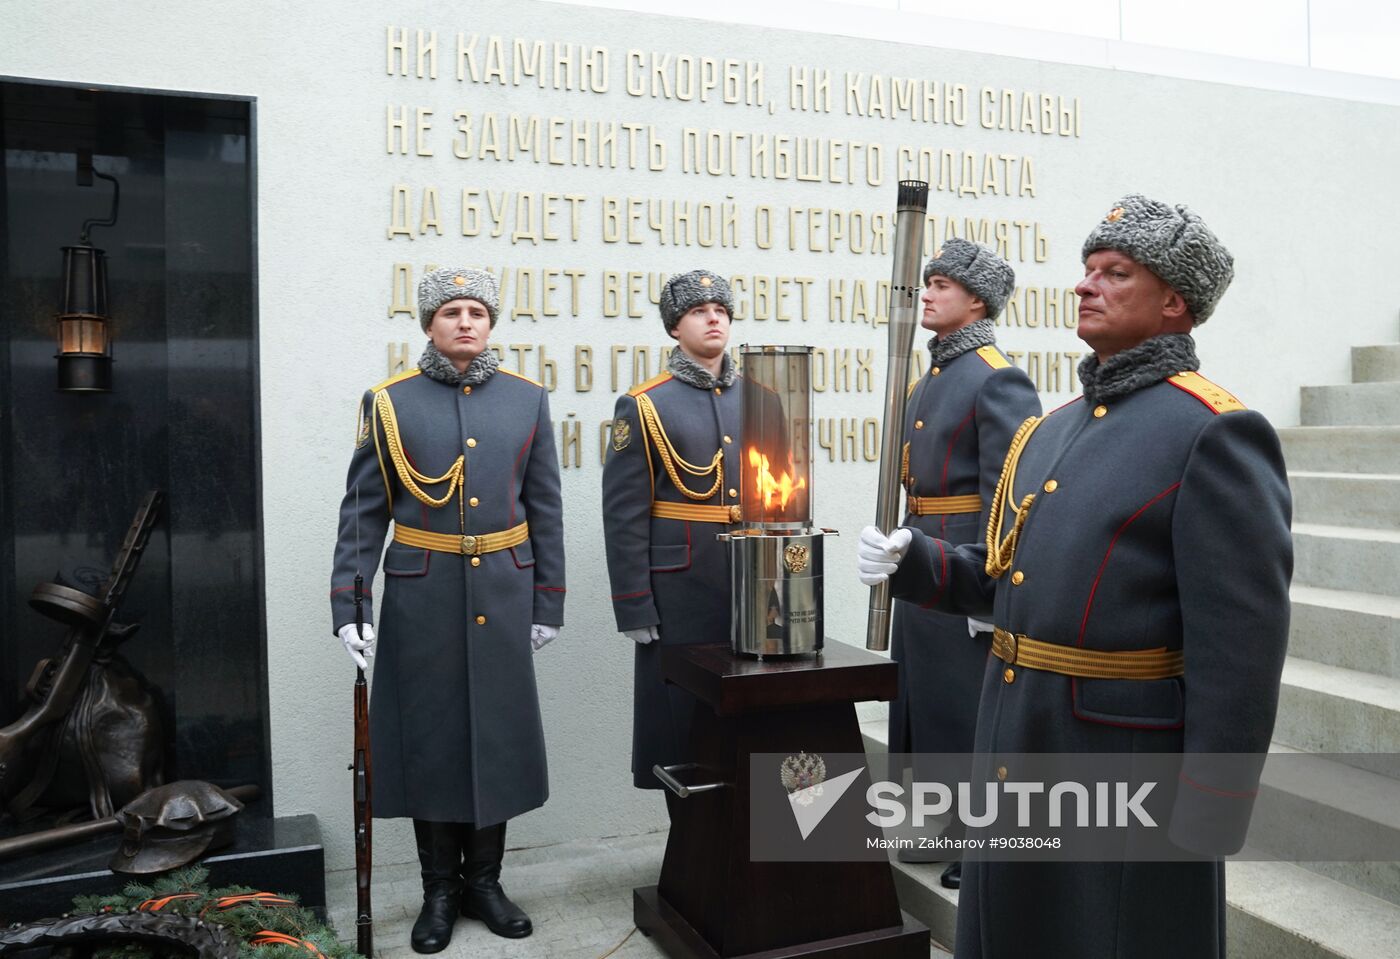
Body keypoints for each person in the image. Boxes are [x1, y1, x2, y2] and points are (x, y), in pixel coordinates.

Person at [858, 195, 1292, 958]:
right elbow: (1013, 584)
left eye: (1115, 273)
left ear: (1174, 301)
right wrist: (917, 561)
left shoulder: (1213, 431)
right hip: (1017, 735)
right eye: (1086, 270)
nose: (1086, 286)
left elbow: (1242, 649)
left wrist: (1214, 806)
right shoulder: (1052, 428)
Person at [330, 268, 564, 953]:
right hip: (422, 594)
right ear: (428, 323)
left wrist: (547, 599)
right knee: (430, 738)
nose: (466, 321)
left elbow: (544, 506)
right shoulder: (390, 401)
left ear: (491, 323)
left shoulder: (526, 400)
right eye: (452, 311)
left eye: (477, 311)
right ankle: (439, 889)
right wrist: (351, 601)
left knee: (493, 736)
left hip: (504, 588)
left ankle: (485, 882)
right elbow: (363, 511)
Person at [888, 238, 1040, 887]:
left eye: (941, 283)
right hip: (924, 545)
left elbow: (1010, 492)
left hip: (963, 554)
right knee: (923, 698)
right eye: (927, 282)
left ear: (975, 299)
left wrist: (990, 588)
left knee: (963, 704)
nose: (927, 292)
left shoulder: (995, 375)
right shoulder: (931, 377)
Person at [602, 269, 741, 794]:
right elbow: (623, 512)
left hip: (753, 585)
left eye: (721, 310)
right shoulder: (644, 405)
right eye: (698, 311)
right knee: (683, 721)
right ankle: (693, 851)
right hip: (680, 589)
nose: (713, 318)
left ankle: (752, 854)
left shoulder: (764, 398)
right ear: (674, 328)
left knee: (755, 717)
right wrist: (633, 603)